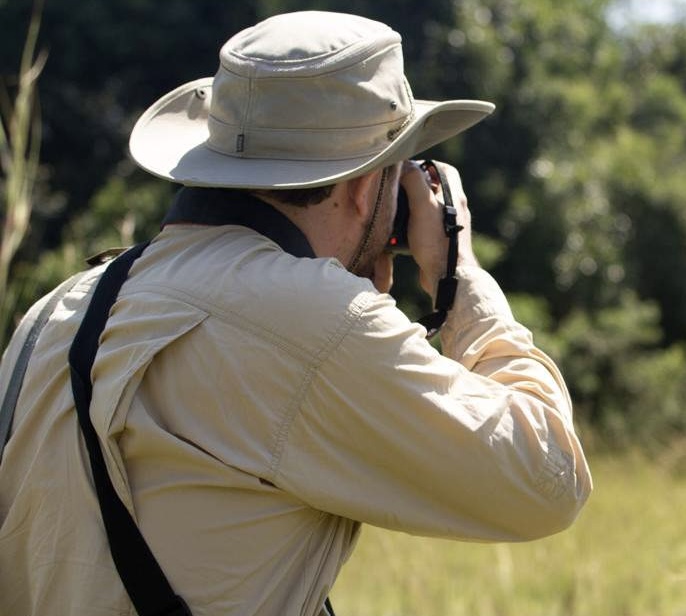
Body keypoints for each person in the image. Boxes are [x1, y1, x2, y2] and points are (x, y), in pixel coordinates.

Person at [0, 11, 591, 616]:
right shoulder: (313, 322)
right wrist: (460, 280)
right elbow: (547, 479)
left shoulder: (54, 312)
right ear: (365, 188)